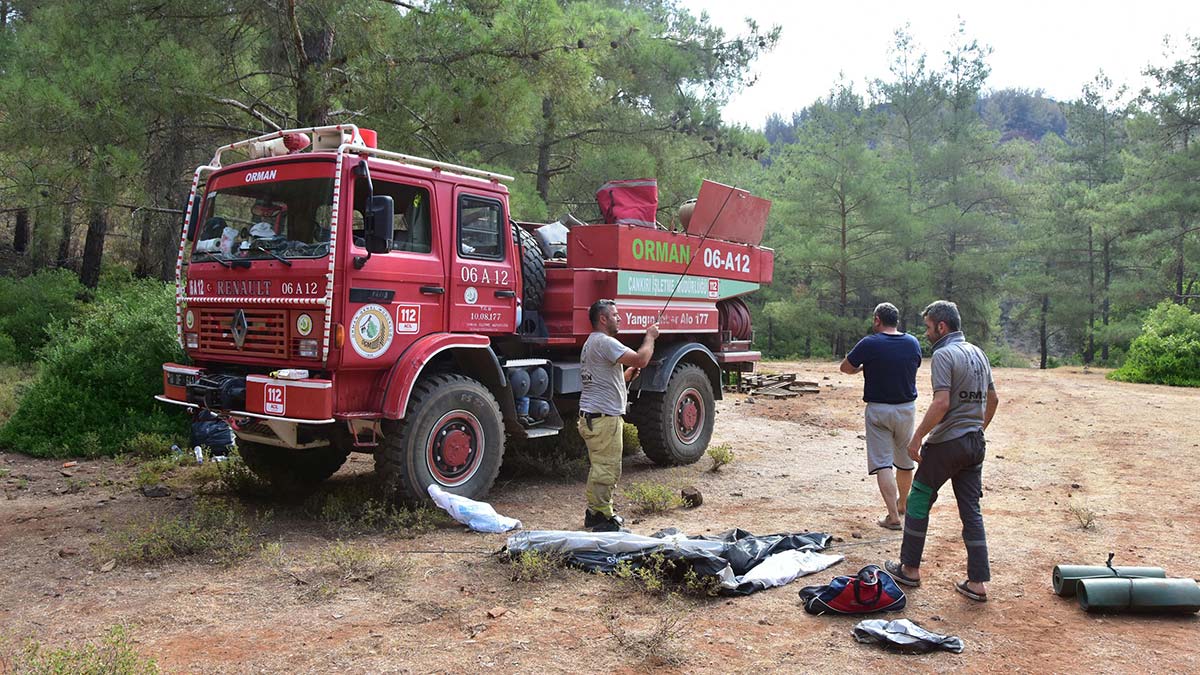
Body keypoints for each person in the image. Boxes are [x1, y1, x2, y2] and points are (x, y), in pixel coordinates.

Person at [886, 300, 999, 603]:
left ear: (941, 326)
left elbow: (941, 402)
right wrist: (977, 429)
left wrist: (917, 438)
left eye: (928, 327)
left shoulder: (944, 354)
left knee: (918, 498)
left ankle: (910, 569)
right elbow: (993, 400)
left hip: (947, 443)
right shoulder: (979, 353)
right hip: (975, 444)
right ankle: (977, 583)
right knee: (971, 510)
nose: (926, 333)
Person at [840, 302, 922, 531]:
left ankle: (893, 516)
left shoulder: (869, 343)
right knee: (905, 461)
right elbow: (913, 365)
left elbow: (845, 367)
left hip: (878, 410)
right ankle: (903, 504)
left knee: (883, 463)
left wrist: (862, 368)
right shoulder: (912, 342)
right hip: (906, 408)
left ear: (877, 319)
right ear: (897, 320)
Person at [578, 299, 659, 532]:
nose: (619, 318)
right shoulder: (605, 342)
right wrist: (650, 337)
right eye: (615, 315)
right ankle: (601, 517)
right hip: (603, 419)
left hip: (594, 417)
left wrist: (626, 376)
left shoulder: (592, 343)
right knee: (607, 469)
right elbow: (642, 358)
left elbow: (602, 382)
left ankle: (596, 512)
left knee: (600, 467)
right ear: (603, 319)